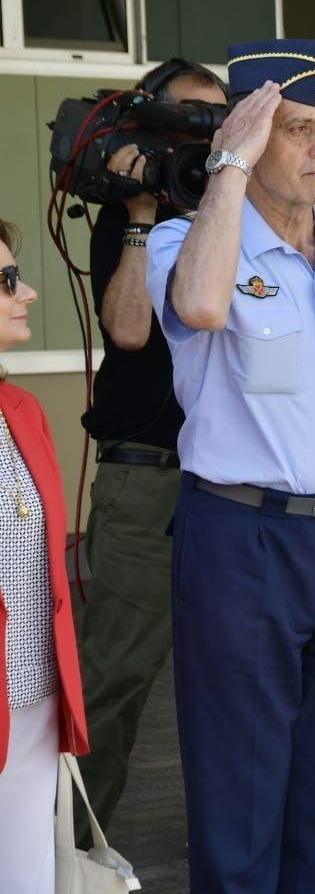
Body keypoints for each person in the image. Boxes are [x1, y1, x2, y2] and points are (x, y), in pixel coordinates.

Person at [146, 39, 315, 891]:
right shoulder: (188, 238)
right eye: (297, 130)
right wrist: (227, 171)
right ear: (249, 138)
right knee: (241, 796)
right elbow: (203, 304)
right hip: (243, 536)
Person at [74, 59, 225, 841]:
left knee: (255, 670)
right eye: (188, 121)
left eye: (217, 120)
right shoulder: (126, 215)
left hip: (234, 487)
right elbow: (129, 330)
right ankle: (68, 847)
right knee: (115, 676)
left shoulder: (242, 208)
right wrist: (140, 211)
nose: (200, 139)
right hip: (148, 477)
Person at [0, 224, 91, 892]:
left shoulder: (22, 409)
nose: (26, 291)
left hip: (33, 695)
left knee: (26, 876)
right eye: (6, 281)